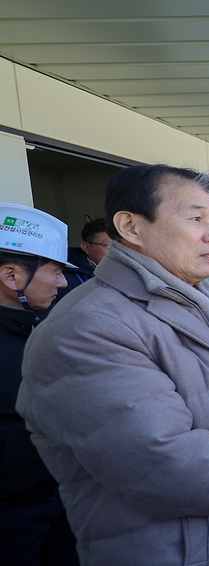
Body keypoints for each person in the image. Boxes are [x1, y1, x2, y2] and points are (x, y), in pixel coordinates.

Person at [16, 165, 209, 565]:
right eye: (195, 219)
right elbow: (168, 468)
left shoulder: (198, 299)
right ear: (131, 226)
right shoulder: (86, 328)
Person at [0, 203, 79, 565]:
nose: (63, 283)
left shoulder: (37, 329)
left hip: (55, 501)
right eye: (56, 271)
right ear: (11, 276)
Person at [59, 217, 113, 297]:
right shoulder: (64, 281)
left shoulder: (128, 273)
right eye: (109, 246)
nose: (117, 252)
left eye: (120, 246)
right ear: (86, 248)